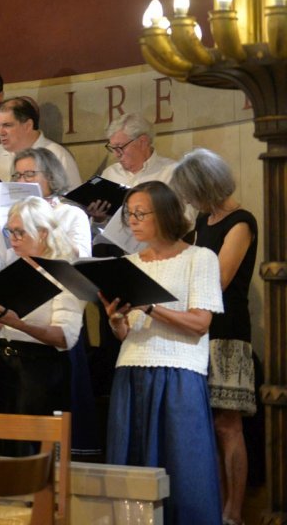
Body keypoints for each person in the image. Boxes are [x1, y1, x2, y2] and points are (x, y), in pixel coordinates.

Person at [103, 181, 224, 525]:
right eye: (129, 214)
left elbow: (200, 322)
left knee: (183, 469)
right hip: (131, 368)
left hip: (179, 373)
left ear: (167, 214)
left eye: (141, 213)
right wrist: (115, 321)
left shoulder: (199, 258)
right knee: (132, 469)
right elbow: (125, 331)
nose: (134, 221)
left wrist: (151, 306)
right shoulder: (127, 263)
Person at [171, 150, 258, 525]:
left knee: (228, 424)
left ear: (205, 186)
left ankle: (234, 512)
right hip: (200, 332)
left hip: (228, 333)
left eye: (190, 192)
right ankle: (214, 506)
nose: (188, 200)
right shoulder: (205, 219)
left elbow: (218, 280)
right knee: (206, 424)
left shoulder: (241, 222)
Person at [0, 198, 83, 438]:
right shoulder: (13, 270)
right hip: (4, 366)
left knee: (34, 452)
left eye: (20, 232)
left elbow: (63, 338)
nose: (13, 239)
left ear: (43, 232)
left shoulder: (64, 273)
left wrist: (19, 323)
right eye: (10, 232)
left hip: (40, 371)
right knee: (2, 449)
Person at [91, 114, 178, 221]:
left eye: (120, 147)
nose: (116, 154)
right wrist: (98, 219)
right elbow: (100, 226)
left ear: (142, 142)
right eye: (112, 148)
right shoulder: (110, 174)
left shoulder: (172, 172)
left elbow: (185, 221)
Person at [0, 98, 81, 188]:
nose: (0, 132)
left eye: (7, 125)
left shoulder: (57, 155)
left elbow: (72, 201)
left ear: (28, 125)